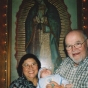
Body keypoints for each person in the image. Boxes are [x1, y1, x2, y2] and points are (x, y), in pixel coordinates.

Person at [25, 0, 62, 71]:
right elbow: (28, 23)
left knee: (48, 53)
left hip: (47, 35)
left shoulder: (51, 9)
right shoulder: (33, 9)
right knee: (36, 53)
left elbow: (56, 23)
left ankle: (50, 70)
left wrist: (47, 21)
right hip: (36, 35)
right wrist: (34, 21)